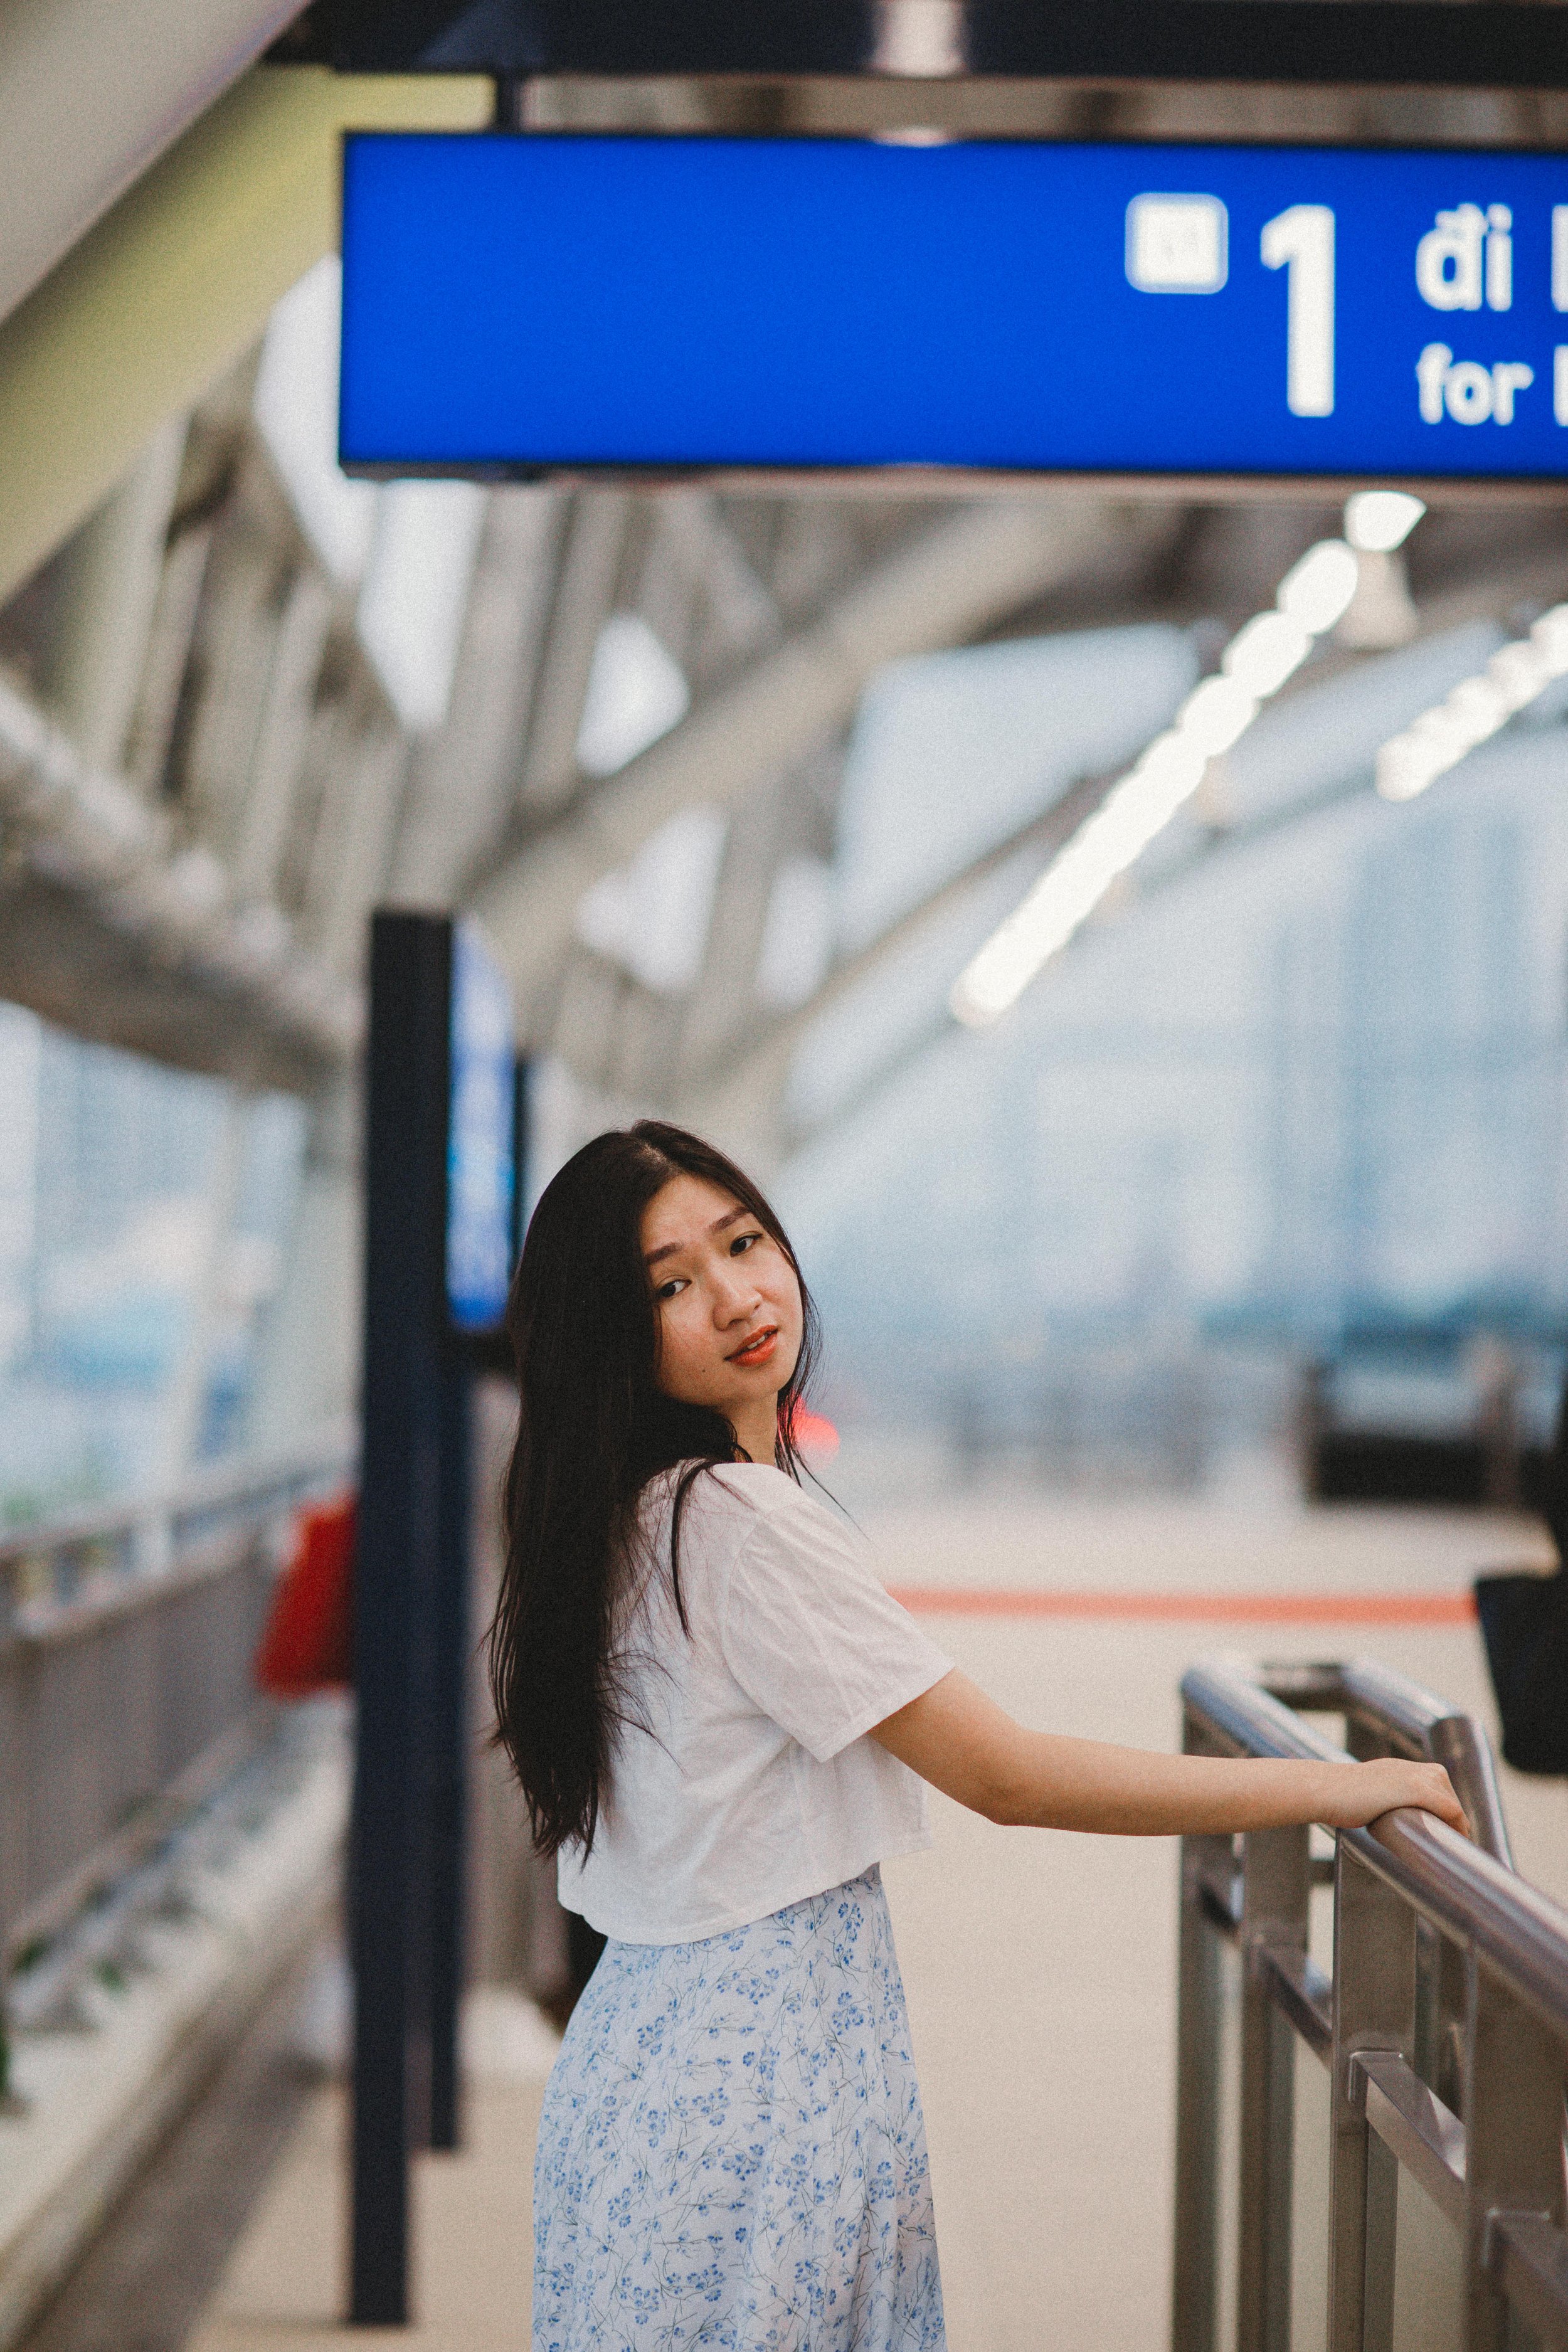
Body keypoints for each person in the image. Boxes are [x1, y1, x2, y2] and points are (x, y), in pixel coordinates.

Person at [487, 1121, 1467, 2352]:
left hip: (644, 2065)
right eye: (670, 1285)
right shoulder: (738, 1527)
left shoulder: (627, 1516)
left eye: (741, 1242)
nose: (735, 1295)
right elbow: (1003, 1774)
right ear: (610, 1336)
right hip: (757, 2078)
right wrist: (1331, 1789)